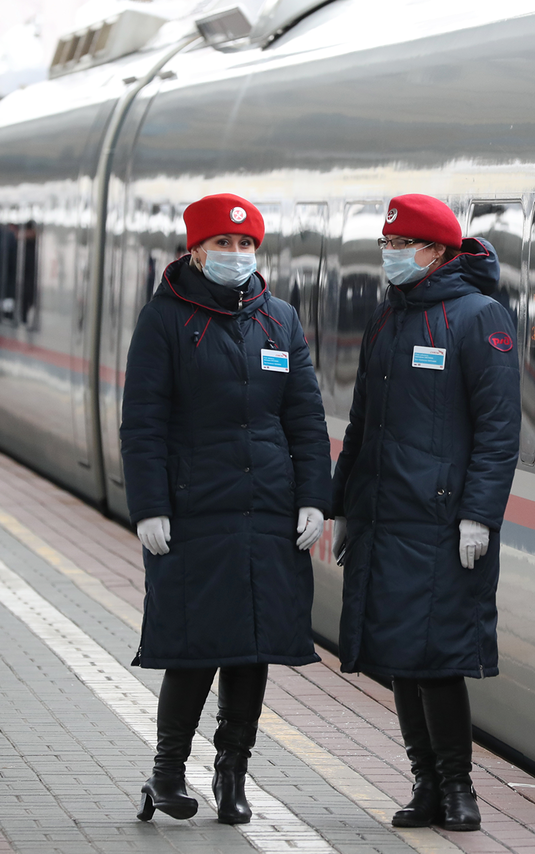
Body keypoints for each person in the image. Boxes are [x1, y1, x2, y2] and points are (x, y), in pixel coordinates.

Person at [121, 193, 331, 825]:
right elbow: (143, 424)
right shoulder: (165, 321)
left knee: (251, 648)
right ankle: (166, 772)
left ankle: (232, 770)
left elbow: (305, 418)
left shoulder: (280, 321)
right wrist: (150, 506)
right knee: (193, 645)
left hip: (266, 511)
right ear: (196, 250)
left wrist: (315, 498)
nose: (236, 256)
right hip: (194, 509)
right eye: (222, 245)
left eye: (245, 245)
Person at [331, 194, 521, 831]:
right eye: (386, 245)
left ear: (437, 252)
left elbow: (499, 430)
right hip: (387, 519)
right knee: (400, 659)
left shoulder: (479, 318)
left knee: (438, 660)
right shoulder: (389, 318)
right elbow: (364, 424)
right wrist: (344, 505)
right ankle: (425, 786)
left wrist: (479, 516)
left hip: (443, 523)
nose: (391, 256)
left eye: (401, 245)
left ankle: (459, 788)